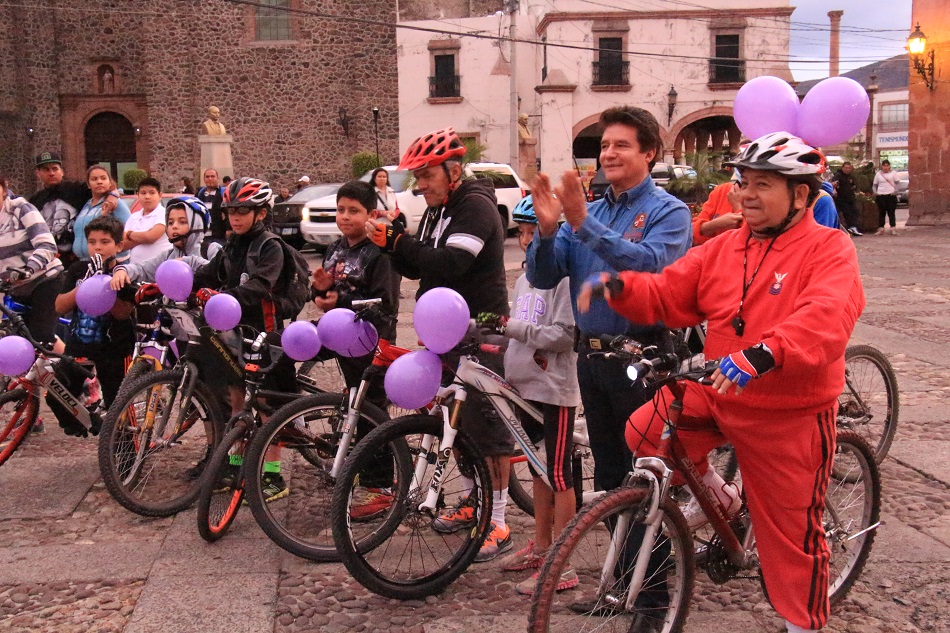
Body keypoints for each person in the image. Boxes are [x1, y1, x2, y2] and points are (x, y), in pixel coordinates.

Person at [580, 131, 865, 633]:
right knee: (645, 429)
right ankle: (722, 497)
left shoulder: (829, 248)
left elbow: (827, 314)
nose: (746, 195)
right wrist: (621, 287)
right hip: (721, 391)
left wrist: (766, 352)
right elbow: (671, 291)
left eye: (763, 185)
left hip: (787, 412)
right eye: (743, 183)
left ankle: (802, 625)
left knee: (792, 539)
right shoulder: (726, 247)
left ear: (800, 194)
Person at [527, 105, 692, 499]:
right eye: (604, 146)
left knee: (645, 473)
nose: (609, 154)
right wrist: (546, 233)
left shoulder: (669, 211)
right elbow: (542, 277)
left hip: (644, 355)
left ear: (649, 152)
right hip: (591, 358)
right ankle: (622, 543)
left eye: (622, 145)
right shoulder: (587, 213)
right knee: (609, 477)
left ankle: (657, 543)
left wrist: (583, 224)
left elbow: (651, 265)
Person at [364, 127, 512, 561]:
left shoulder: (475, 207)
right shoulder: (437, 209)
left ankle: (498, 520)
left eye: (427, 175)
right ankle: (471, 500)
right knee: (455, 421)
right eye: (417, 177)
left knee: (487, 428)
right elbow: (419, 267)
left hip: (480, 327)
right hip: (445, 330)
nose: (420, 184)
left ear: (454, 171)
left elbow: (451, 263)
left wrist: (398, 242)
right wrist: (392, 244)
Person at [485, 195, 581, 595]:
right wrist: (496, 338)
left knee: (558, 475)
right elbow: (521, 328)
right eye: (522, 233)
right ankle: (542, 546)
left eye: (534, 232)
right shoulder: (526, 278)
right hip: (526, 387)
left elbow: (564, 335)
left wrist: (511, 329)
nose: (527, 241)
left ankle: (563, 562)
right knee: (539, 470)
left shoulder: (564, 279)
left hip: (554, 389)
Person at [191, 177, 294, 501]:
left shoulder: (270, 246)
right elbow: (207, 274)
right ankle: (236, 464)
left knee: (266, 406)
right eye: (231, 211)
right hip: (234, 331)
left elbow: (261, 285)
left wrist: (223, 297)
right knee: (237, 398)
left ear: (260, 213)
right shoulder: (232, 245)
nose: (234, 217)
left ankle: (273, 475)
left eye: (242, 211)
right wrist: (177, 285)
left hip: (264, 332)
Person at [310, 180, 399, 519]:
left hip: (371, 342)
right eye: (340, 210)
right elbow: (327, 292)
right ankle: (291, 427)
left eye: (354, 211)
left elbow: (385, 304)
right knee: (278, 348)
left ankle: (381, 487)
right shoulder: (335, 248)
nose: (345, 217)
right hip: (339, 335)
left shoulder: (379, 252)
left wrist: (340, 301)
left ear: (371, 214)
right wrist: (321, 292)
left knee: (370, 409)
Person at [53, 216, 136, 435]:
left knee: (118, 403)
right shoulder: (78, 270)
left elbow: (123, 313)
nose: (98, 247)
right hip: (80, 344)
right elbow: (60, 306)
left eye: (105, 242)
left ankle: (124, 447)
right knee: (57, 391)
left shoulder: (123, 273)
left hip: (114, 348)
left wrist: (104, 288)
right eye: (92, 242)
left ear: (118, 246)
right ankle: (85, 423)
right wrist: (85, 285)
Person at [0, 175, 65, 346]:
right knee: (17, 338)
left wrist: (29, 268)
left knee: (40, 338)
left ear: (4, 190)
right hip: (12, 288)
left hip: (44, 280)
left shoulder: (21, 208)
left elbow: (47, 245)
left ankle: (73, 364)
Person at [29, 152, 117, 266]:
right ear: (38, 173)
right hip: (49, 259)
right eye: (46, 170)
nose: (51, 173)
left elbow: (105, 187)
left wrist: (113, 195)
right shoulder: (35, 200)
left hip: (77, 257)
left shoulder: (77, 189)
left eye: (55, 169)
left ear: (62, 171)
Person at [111, 196, 212, 290]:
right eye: (170, 222)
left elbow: (217, 270)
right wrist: (123, 270)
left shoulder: (210, 250)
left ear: (198, 225)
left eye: (182, 222)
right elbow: (142, 269)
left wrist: (187, 262)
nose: (174, 226)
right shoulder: (167, 256)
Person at [73, 166, 130, 261]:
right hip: (85, 261)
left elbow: (127, 230)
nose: (99, 182)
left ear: (110, 182)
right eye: (94, 179)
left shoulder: (116, 203)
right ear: (88, 184)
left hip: (111, 261)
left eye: (103, 178)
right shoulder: (86, 205)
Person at [123, 177, 171, 264]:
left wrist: (129, 234)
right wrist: (143, 237)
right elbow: (123, 245)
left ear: (160, 195)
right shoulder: (133, 217)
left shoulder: (164, 213)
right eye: (143, 193)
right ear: (138, 195)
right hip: (135, 268)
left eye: (152, 193)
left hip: (160, 266)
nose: (147, 197)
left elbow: (151, 237)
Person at [691, 178, 743, 246]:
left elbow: (752, 238)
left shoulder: (756, 198)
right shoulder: (723, 191)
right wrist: (717, 224)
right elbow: (693, 232)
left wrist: (738, 207)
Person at [197, 168, 228, 249]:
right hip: (202, 238)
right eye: (207, 177)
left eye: (212, 176)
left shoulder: (224, 194)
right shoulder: (199, 194)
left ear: (218, 178)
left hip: (219, 238)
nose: (210, 179)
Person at [831, 161, 861, 236]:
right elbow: (833, 183)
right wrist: (834, 187)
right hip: (841, 198)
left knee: (855, 211)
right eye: (846, 168)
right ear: (842, 168)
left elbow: (853, 185)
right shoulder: (838, 175)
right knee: (847, 213)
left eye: (849, 168)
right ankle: (850, 227)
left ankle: (853, 227)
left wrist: (854, 188)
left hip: (850, 197)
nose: (847, 169)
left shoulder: (850, 176)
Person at [872, 160, 898, 234]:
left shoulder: (893, 173)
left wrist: (895, 191)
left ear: (889, 166)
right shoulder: (878, 174)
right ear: (882, 166)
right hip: (881, 195)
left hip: (890, 195)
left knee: (891, 212)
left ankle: (893, 228)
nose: (886, 167)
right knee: (881, 212)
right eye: (884, 166)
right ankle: (881, 228)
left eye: (887, 166)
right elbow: (874, 184)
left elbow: (897, 183)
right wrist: (875, 192)